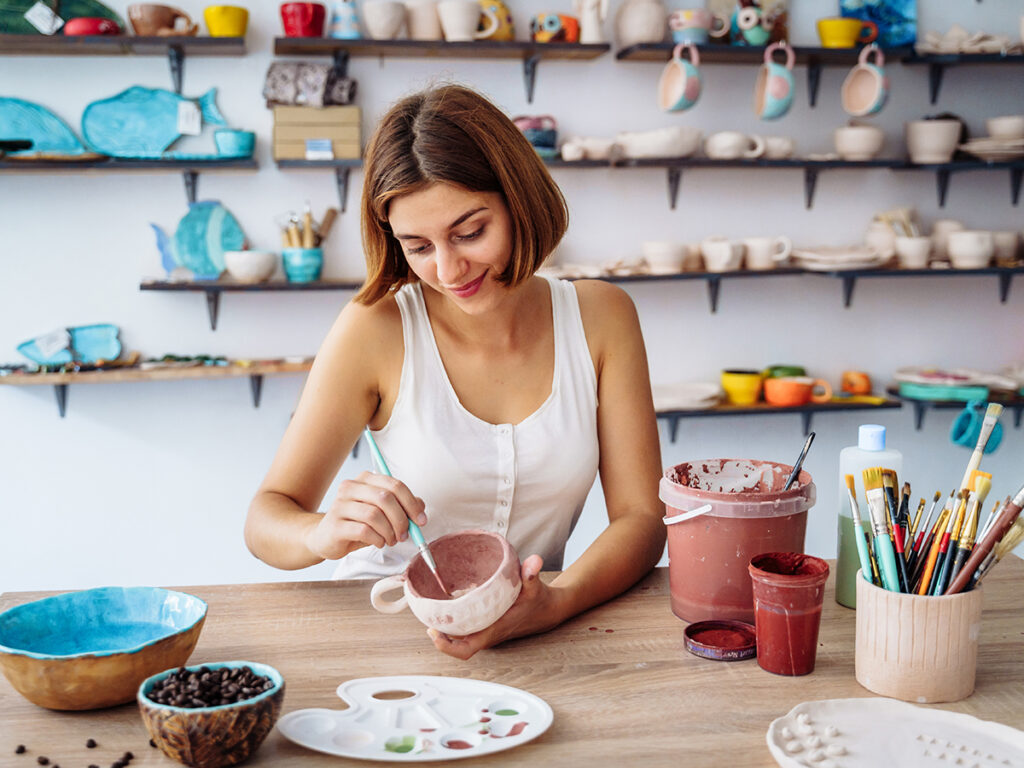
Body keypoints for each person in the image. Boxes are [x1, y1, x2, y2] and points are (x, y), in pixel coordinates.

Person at [244, 84, 665, 659]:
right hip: (381, 628)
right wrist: (319, 533)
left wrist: (555, 603)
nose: (448, 269)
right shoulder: (376, 328)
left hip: (537, 637)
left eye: (470, 232)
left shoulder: (602, 318)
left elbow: (642, 519)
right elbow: (267, 517)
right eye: (417, 246)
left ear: (519, 201)